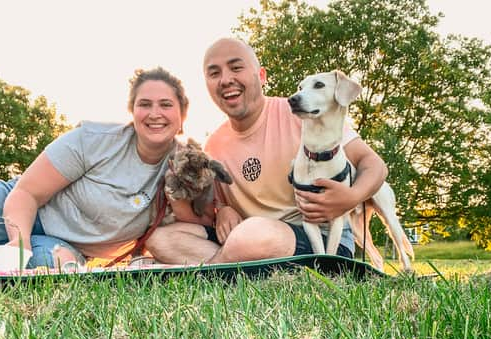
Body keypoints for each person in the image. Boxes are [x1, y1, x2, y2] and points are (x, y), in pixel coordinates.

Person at [0, 67, 189, 272]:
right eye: (145, 104)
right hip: (12, 207)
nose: (155, 114)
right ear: (132, 111)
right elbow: (27, 194)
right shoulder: (94, 140)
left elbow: (196, 223)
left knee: (51, 264)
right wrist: (19, 244)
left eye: (166, 105)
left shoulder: (187, 166)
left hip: (64, 244)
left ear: (182, 114)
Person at [145, 38, 388, 264]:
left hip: (313, 239)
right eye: (214, 73)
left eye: (236, 68)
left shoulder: (300, 115)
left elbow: (373, 164)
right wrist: (223, 212)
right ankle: (243, 270)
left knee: (252, 235)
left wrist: (352, 197)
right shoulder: (214, 144)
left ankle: (216, 269)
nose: (226, 79)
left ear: (261, 76)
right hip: (247, 239)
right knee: (160, 239)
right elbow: (215, 209)